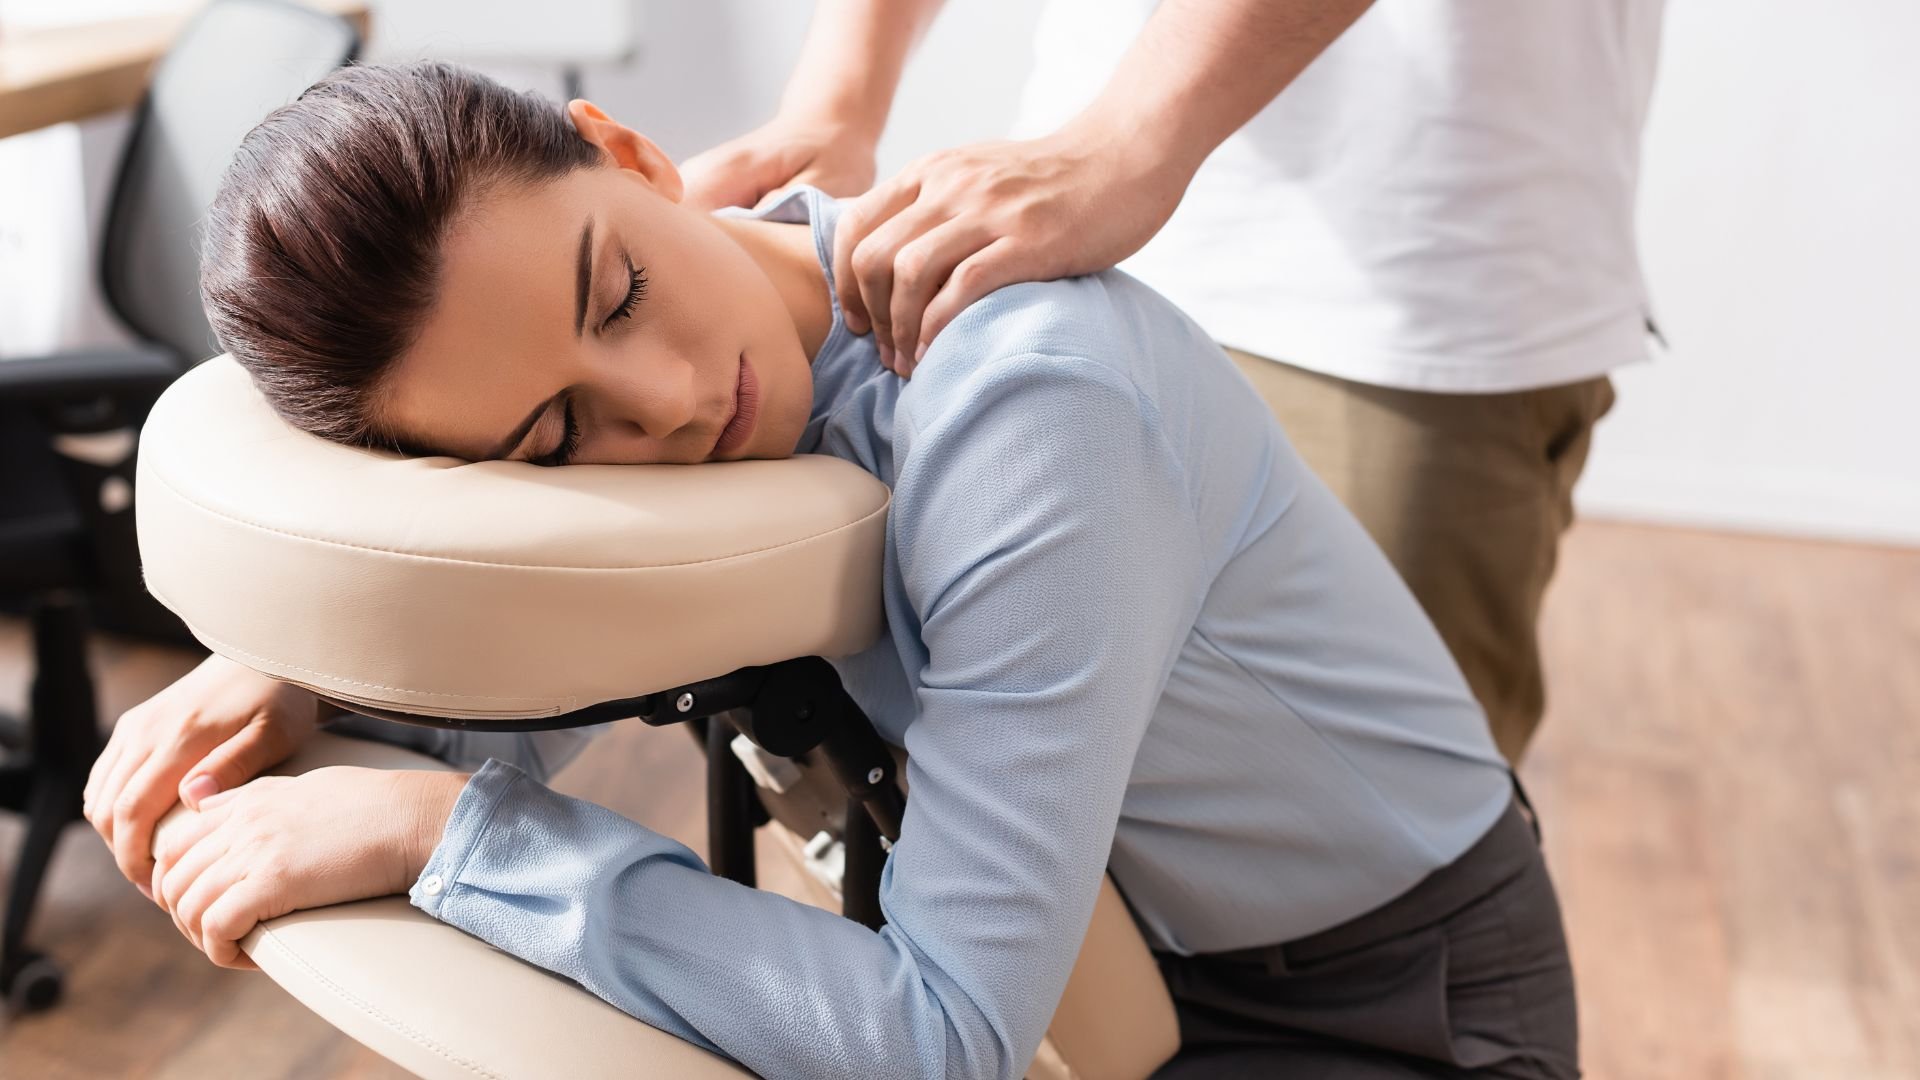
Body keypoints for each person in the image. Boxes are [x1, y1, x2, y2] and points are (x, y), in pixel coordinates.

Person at [88, 63, 1578, 1077]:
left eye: (620, 290)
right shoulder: (717, 420)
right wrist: (300, 662)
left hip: (1393, 1010)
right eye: (553, 439)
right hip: (1129, 949)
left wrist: (443, 835)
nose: (664, 402)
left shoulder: (1026, 410)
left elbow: (936, 1040)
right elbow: (570, 625)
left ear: (632, 156)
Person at [683, 0, 1664, 763]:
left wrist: (1126, 145)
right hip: (1056, 249)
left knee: (1326, 900)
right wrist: (839, 99)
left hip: (1395, 277)